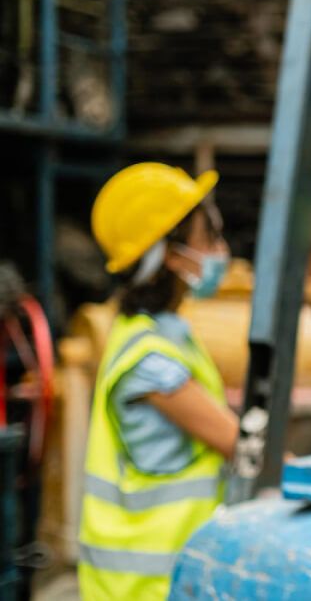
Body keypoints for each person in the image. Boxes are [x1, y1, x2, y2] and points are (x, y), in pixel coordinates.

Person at [78, 163, 238, 600]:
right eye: (209, 238)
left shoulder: (162, 335)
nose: (220, 250)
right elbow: (238, 444)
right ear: (170, 253)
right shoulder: (149, 361)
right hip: (147, 587)